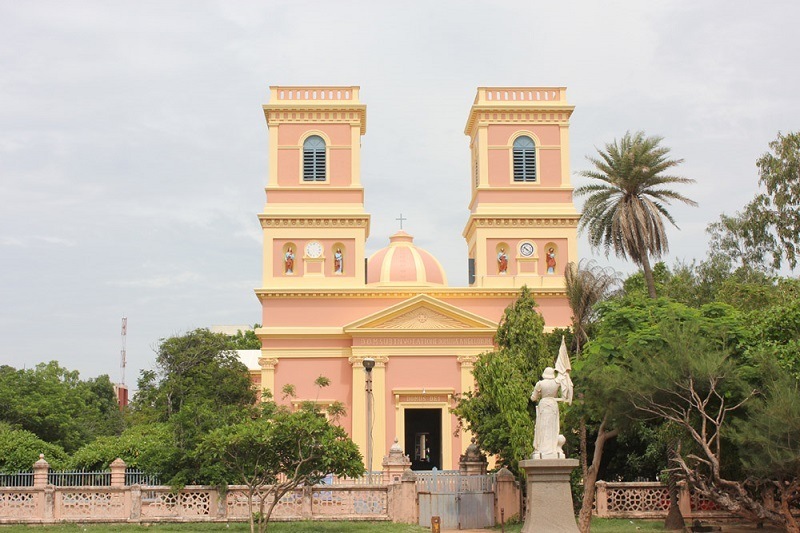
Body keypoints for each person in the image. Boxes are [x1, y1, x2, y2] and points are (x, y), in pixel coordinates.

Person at [531, 367, 565, 458]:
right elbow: (565, 392)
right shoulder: (557, 383)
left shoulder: (540, 384)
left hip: (544, 405)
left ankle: (542, 448)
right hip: (553, 405)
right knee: (552, 427)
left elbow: (533, 398)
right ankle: (552, 448)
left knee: (542, 427)